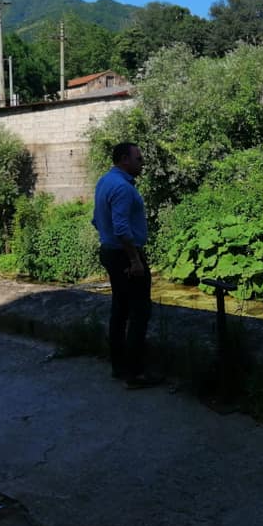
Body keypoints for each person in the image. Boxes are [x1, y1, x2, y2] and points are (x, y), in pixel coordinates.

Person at [93, 142, 161, 389]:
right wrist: (134, 259)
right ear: (125, 160)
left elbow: (96, 219)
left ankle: (119, 366)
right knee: (140, 312)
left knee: (120, 309)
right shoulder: (122, 187)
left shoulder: (105, 181)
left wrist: (108, 240)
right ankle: (135, 374)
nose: (142, 163)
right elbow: (121, 227)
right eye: (139, 159)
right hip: (125, 256)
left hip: (111, 252)